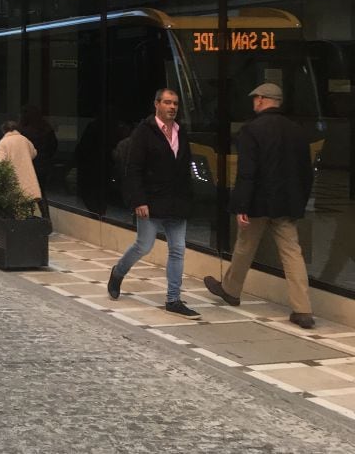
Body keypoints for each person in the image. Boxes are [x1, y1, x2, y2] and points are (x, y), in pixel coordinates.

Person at [203, 82, 316, 329]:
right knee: (292, 253)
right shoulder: (297, 130)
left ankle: (231, 290)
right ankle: (303, 310)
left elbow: (247, 172)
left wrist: (240, 205)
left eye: (255, 99)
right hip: (285, 204)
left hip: (258, 202)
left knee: (245, 246)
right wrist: (300, 203)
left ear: (263, 100)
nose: (254, 102)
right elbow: (306, 172)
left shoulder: (251, 130)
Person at [107, 88, 200, 319]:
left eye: (175, 103)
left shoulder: (181, 132)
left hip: (177, 203)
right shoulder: (144, 132)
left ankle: (173, 299)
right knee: (144, 246)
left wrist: (189, 198)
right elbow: (133, 169)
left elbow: (185, 167)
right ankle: (118, 273)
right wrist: (139, 200)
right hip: (151, 201)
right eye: (167, 102)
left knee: (177, 250)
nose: (172, 107)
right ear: (156, 104)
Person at [19, 105, 57, 218]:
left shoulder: (24, 131)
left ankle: (28, 218)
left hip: (30, 165)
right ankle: (46, 218)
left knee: (27, 192)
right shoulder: (46, 128)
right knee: (41, 192)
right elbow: (53, 146)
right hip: (44, 165)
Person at [0, 121, 42, 212]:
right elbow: (34, 153)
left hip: (12, 177)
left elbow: (0, 162)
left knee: (14, 206)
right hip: (27, 175)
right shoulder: (25, 140)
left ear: (4, 130)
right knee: (27, 202)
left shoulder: (3, 142)